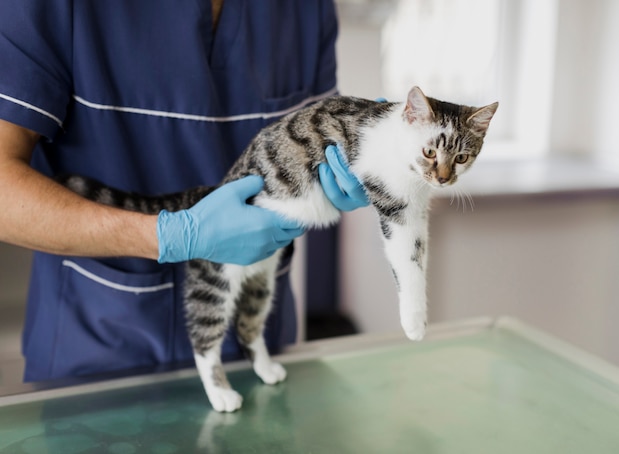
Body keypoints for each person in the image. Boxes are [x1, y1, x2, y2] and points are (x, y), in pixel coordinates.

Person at [0, 0, 367, 382]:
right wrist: (169, 235)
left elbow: (315, 143)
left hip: (256, 346)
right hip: (98, 351)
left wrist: (354, 163)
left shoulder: (306, 9)